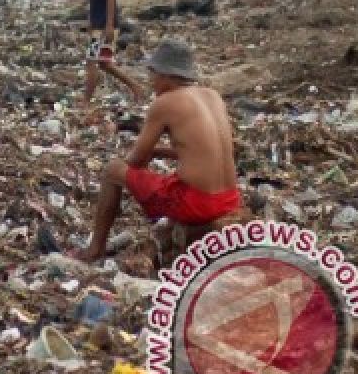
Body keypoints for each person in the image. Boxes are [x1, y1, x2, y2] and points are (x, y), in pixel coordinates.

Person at [73, 39, 240, 262]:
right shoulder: (212, 96)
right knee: (160, 177)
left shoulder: (165, 103)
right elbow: (204, 151)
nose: (151, 81)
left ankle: (95, 249)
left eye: (153, 74)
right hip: (230, 197)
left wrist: (137, 177)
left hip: (199, 203)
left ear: (165, 75)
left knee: (113, 170)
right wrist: (159, 152)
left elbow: (135, 161)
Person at [60, 0, 144, 106]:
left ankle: (86, 100)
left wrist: (109, 25)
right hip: (97, 22)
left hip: (105, 24)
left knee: (91, 61)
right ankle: (135, 86)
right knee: (104, 64)